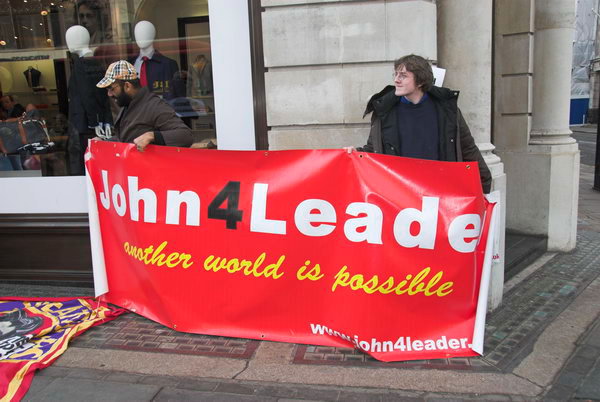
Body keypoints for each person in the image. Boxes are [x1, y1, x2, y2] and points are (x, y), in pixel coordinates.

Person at [358, 54, 492, 193]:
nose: (396, 80)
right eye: (396, 74)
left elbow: (467, 148)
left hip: (438, 191)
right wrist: (352, 154)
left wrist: (484, 185)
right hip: (400, 194)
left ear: (420, 81)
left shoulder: (446, 109)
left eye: (403, 75)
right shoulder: (385, 109)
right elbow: (373, 149)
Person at [96, 60, 193, 151]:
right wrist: (104, 142)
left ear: (127, 86)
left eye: (111, 89)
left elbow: (185, 136)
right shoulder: (128, 104)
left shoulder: (155, 106)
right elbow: (126, 138)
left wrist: (152, 136)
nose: (109, 94)